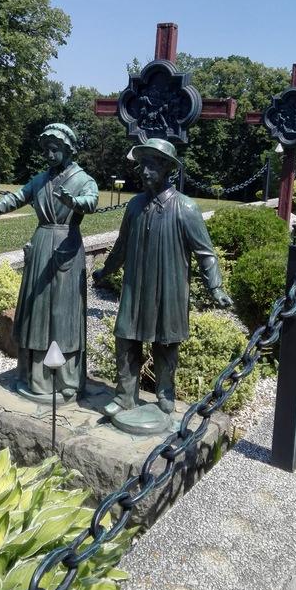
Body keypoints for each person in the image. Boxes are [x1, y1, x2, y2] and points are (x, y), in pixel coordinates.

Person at [93, 138, 232, 417]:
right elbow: (121, 246)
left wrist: (215, 288)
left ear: (168, 168)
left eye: (152, 165)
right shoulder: (134, 206)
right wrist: (105, 271)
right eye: (143, 165)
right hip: (135, 288)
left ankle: (165, 393)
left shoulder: (185, 208)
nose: (145, 172)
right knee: (125, 338)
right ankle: (124, 396)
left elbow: (205, 253)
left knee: (166, 342)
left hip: (169, 289)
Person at [0, 123, 98, 401]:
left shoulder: (83, 179)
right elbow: (14, 199)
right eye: (46, 150)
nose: (49, 154)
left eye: (55, 149)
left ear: (67, 150)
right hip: (41, 245)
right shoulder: (40, 180)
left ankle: (67, 379)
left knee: (64, 315)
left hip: (67, 247)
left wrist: (74, 202)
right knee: (37, 313)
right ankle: (34, 375)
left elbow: (91, 201)